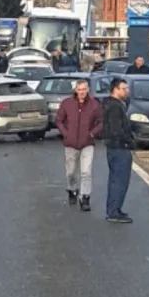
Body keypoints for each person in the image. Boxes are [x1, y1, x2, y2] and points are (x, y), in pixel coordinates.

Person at [55, 79, 102, 211]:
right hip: (70, 143)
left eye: (84, 89)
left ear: (88, 90)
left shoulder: (94, 105)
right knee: (71, 172)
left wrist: (92, 134)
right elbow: (59, 120)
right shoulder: (67, 103)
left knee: (86, 172)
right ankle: (72, 190)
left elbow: (101, 122)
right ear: (76, 90)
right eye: (79, 89)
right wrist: (66, 133)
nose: (82, 92)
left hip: (87, 143)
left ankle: (85, 197)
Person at [101, 77, 135, 223]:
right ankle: (114, 211)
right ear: (115, 89)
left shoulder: (113, 104)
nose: (126, 91)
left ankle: (114, 209)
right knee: (119, 180)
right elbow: (117, 130)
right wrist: (129, 141)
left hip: (115, 147)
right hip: (119, 147)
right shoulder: (115, 107)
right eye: (123, 89)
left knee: (116, 180)